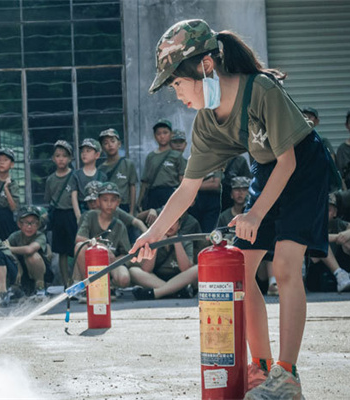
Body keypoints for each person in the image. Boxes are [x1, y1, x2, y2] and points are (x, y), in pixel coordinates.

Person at [131, 19, 333, 398]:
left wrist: (255, 214)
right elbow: (187, 189)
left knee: (285, 266)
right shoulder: (207, 123)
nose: (177, 94)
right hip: (267, 169)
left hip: (304, 167)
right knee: (240, 268)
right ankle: (261, 368)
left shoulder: (261, 90)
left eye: (177, 83)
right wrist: (152, 234)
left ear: (206, 65)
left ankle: (287, 376)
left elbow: (288, 162)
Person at [73, 182, 131, 290]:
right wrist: (102, 247)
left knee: (124, 279)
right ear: (98, 201)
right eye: (105, 200)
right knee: (79, 246)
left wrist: (114, 259)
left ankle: (109, 287)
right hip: (91, 262)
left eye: (113, 200)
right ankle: (90, 287)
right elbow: (79, 238)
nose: (109, 204)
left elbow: (126, 254)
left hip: (110, 264)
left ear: (118, 202)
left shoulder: (119, 225)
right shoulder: (90, 216)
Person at [309, 194, 350, 292]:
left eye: (328, 210)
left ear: (335, 212)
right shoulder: (312, 223)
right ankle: (339, 274)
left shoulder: (337, 223)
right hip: (318, 271)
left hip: (342, 266)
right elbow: (314, 237)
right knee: (320, 240)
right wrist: (338, 237)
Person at [130, 216, 199, 300]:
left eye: (174, 221)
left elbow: (186, 269)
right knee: (133, 271)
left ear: (179, 225)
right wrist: (156, 244)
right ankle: (176, 292)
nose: (170, 225)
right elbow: (147, 269)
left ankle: (158, 293)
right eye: (167, 222)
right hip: (157, 278)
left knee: (197, 268)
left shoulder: (186, 241)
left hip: (179, 278)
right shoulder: (153, 240)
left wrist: (176, 242)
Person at [44, 140, 76, 287]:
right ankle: (66, 282)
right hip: (58, 215)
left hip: (72, 214)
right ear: (53, 159)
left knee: (76, 248)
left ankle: (77, 279)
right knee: (61, 251)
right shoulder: (51, 179)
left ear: (70, 158)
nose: (61, 159)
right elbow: (48, 199)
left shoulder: (75, 176)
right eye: (58, 156)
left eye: (64, 156)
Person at [5, 206, 52, 298]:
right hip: (22, 273)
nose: (29, 227)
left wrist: (9, 248)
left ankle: (40, 288)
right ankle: (12, 287)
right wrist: (18, 265)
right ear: (19, 224)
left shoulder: (40, 236)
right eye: (26, 223)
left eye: (33, 223)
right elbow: (3, 249)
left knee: (32, 256)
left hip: (40, 273)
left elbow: (29, 249)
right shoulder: (14, 236)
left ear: (38, 224)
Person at [137, 119, 184, 211]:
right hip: (153, 195)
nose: (162, 136)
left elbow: (182, 180)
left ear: (171, 134)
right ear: (155, 136)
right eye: (158, 134)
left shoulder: (176, 155)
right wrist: (139, 202)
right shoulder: (151, 156)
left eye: (165, 133)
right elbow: (145, 182)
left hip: (171, 194)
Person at [81, 180, 148, 242]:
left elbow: (137, 222)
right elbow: (81, 240)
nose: (93, 204)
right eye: (90, 201)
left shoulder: (114, 210)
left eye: (95, 201)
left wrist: (147, 236)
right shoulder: (86, 217)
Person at [97, 128, 138, 215]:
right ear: (102, 148)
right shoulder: (100, 169)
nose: (110, 145)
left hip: (124, 206)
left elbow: (132, 187)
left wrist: (132, 211)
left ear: (119, 144)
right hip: (107, 209)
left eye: (113, 141)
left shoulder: (128, 164)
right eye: (106, 143)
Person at [71, 138, 107, 222]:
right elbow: (74, 196)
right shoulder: (76, 175)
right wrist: (78, 216)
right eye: (82, 151)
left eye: (88, 151)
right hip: (82, 209)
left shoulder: (102, 176)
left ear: (97, 155)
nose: (84, 154)